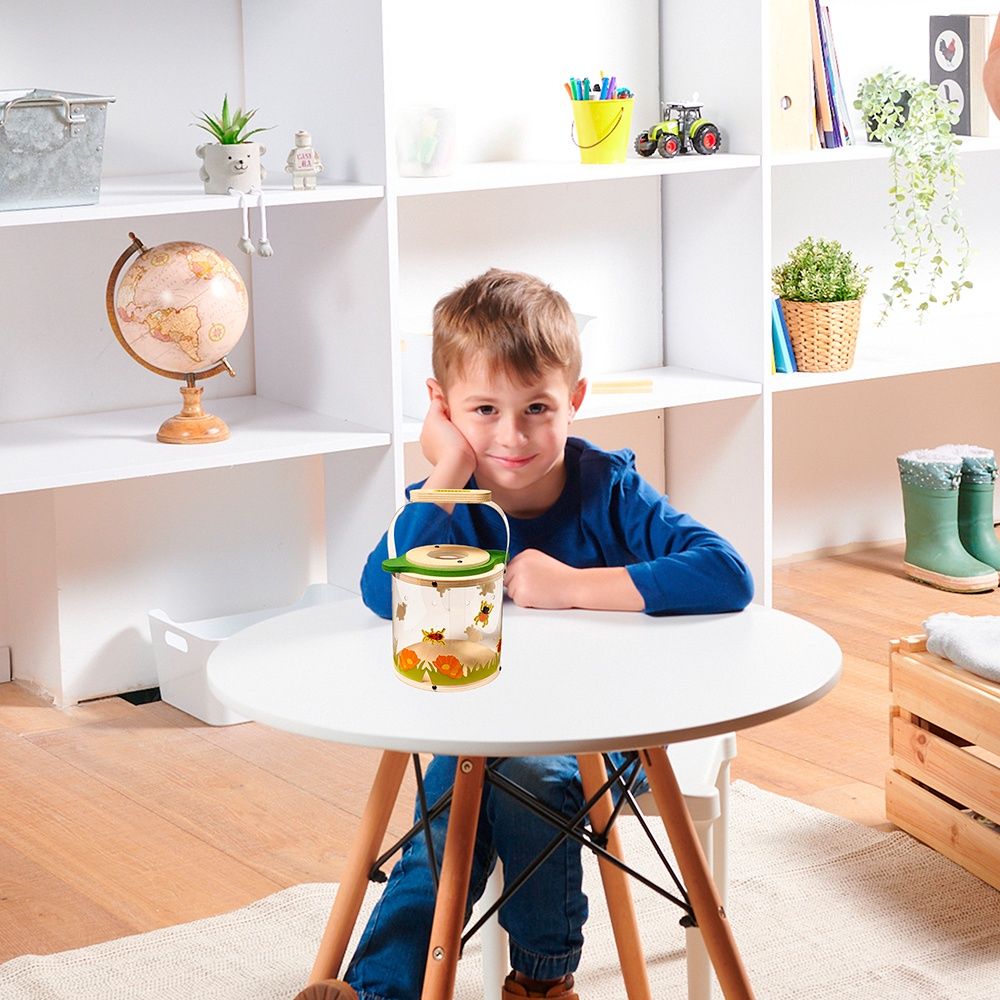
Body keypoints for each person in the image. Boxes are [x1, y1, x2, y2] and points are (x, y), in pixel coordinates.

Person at [305, 268, 753, 1000]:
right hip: (480, 728)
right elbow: (382, 595)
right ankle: (382, 992)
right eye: (483, 410)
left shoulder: (608, 488)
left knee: (524, 781)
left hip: (610, 738)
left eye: (537, 408)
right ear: (442, 407)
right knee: (441, 836)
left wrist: (571, 587)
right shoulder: (453, 504)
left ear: (574, 400)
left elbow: (726, 573)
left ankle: (543, 980)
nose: (511, 437)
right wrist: (447, 471)